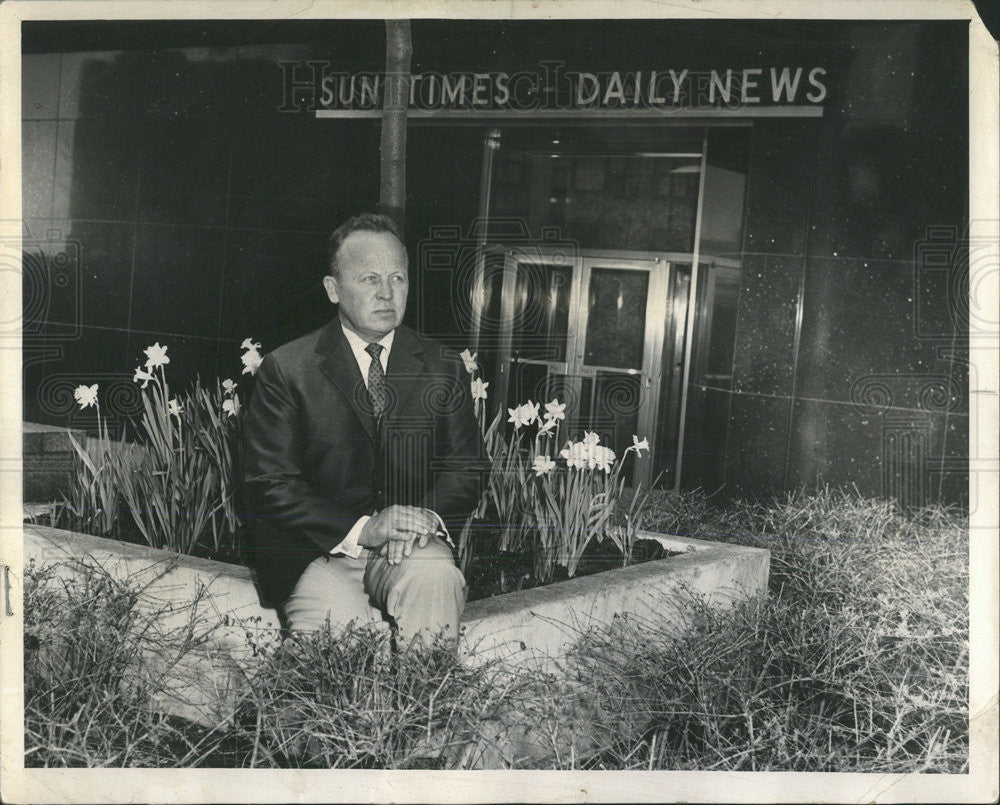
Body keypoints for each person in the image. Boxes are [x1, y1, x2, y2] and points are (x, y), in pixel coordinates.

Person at [242, 212, 483, 648]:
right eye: (370, 278)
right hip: (315, 550)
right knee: (342, 651)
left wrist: (421, 519)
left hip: (408, 546)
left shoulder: (442, 367)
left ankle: (424, 711)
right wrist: (363, 529)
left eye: (398, 278)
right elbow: (269, 483)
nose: (387, 293)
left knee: (436, 578)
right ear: (333, 290)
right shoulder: (288, 368)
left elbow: (467, 470)